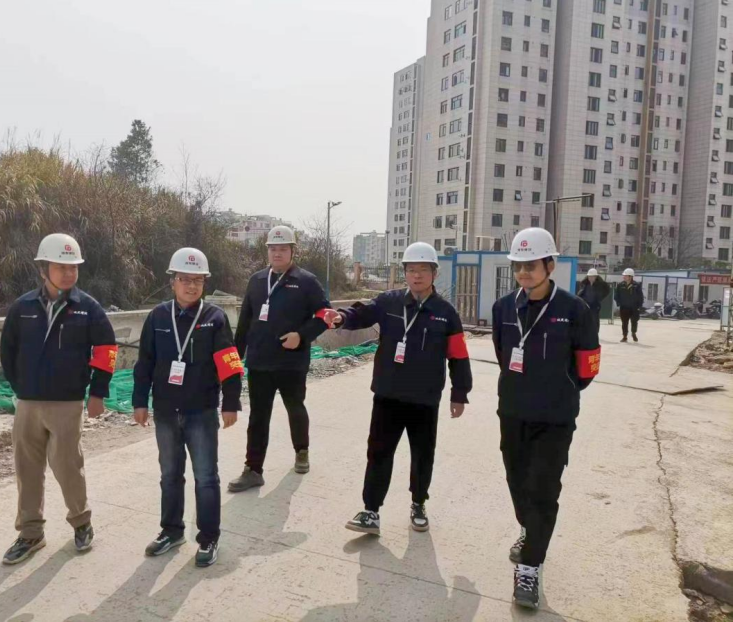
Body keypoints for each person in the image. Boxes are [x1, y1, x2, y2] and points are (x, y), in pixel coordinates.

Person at [323, 242, 472, 535]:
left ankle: (418, 504)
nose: (417, 275)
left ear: (434, 273)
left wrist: (460, 393)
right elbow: (361, 313)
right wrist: (341, 317)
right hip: (388, 394)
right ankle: (371, 511)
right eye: (411, 270)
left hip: (424, 399)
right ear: (405, 273)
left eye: (423, 270)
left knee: (422, 455)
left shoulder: (445, 312)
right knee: (378, 452)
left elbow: (458, 355)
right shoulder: (389, 302)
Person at [491, 227, 601, 609]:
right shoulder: (503, 308)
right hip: (513, 412)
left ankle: (529, 567)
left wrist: (560, 389)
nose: (523, 272)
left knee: (542, 488)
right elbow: (503, 354)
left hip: (555, 418)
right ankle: (530, 529)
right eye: (518, 266)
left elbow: (588, 366)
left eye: (531, 265)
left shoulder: (575, 310)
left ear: (550, 265)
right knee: (517, 481)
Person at [0, 233, 118, 565]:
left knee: (68, 466)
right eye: (61, 267)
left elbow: (106, 351)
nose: (68, 273)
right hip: (28, 403)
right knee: (27, 469)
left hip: (67, 403)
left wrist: (97, 392)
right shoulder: (22, 308)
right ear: (43, 269)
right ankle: (30, 533)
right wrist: (21, 387)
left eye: (73, 267)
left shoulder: (88, 308)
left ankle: (81, 522)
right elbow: (8, 351)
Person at [133, 248, 243, 567]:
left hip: (201, 411)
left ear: (204, 283)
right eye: (185, 279)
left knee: (206, 477)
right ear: (173, 282)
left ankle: (208, 538)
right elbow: (145, 363)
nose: (191, 286)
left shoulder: (215, 318)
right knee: (170, 474)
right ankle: (171, 531)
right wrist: (140, 401)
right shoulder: (157, 317)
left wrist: (231, 402)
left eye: (198, 280)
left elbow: (230, 364)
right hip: (166, 411)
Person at [227, 226, 331, 492]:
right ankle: (253, 469)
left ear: (292, 251)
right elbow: (244, 322)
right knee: (258, 417)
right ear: (267, 251)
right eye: (273, 249)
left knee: (295, 408)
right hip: (259, 362)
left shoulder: (306, 281)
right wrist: (235, 361)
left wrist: (302, 336)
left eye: (283, 249)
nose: (277, 253)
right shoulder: (257, 280)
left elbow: (325, 315)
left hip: (291, 363)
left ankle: (302, 451)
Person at [576, 268, 611, 333]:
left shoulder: (600, 284)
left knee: (595, 321)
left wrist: (600, 297)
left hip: (595, 306)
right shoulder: (585, 284)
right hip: (586, 305)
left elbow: (607, 290)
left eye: (592, 276)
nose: (591, 278)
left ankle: (595, 334)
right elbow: (581, 293)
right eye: (589, 276)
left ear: (596, 277)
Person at [614, 268, 644, 343]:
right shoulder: (620, 285)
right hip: (624, 307)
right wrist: (619, 303)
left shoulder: (636, 285)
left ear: (630, 277)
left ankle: (633, 333)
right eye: (624, 275)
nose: (624, 277)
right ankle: (624, 336)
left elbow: (640, 297)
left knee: (634, 321)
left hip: (634, 308)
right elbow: (616, 295)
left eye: (625, 275)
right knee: (624, 322)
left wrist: (639, 306)